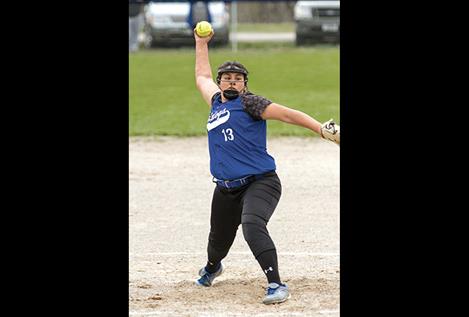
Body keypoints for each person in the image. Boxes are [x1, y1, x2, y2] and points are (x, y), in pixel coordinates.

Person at [193, 29, 340, 305]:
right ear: (221, 82)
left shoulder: (251, 104)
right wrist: (201, 43)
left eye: (238, 79)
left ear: (245, 85)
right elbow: (201, 76)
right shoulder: (215, 103)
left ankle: (276, 284)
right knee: (218, 242)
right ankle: (213, 267)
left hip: (260, 182)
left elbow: (287, 114)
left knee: (252, 225)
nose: (232, 82)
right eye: (227, 78)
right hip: (225, 189)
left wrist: (321, 129)